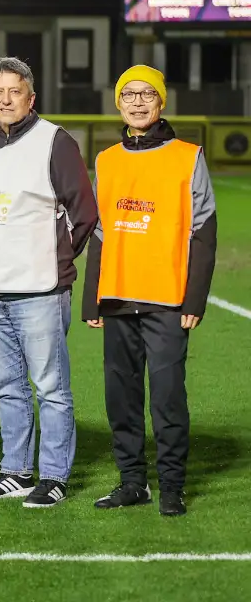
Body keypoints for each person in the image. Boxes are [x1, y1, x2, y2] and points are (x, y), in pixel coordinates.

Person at [0, 57, 98, 508]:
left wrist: (55, 262)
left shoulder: (54, 142)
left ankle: (54, 476)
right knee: (6, 387)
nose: (4, 99)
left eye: (13, 91)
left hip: (40, 292)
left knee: (51, 389)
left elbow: (85, 214)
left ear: (30, 97)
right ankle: (16, 471)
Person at [83, 65, 217, 517]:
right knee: (120, 399)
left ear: (161, 102)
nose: (138, 102)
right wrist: (92, 298)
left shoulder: (187, 156)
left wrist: (194, 298)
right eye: (129, 94)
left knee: (166, 397)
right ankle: (132, 482)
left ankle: (172, 486)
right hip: (118, 297)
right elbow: (98, 233)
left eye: (147, 94)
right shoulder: (106, 160)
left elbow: (203, 230)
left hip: (168, 300)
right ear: (118, 103)